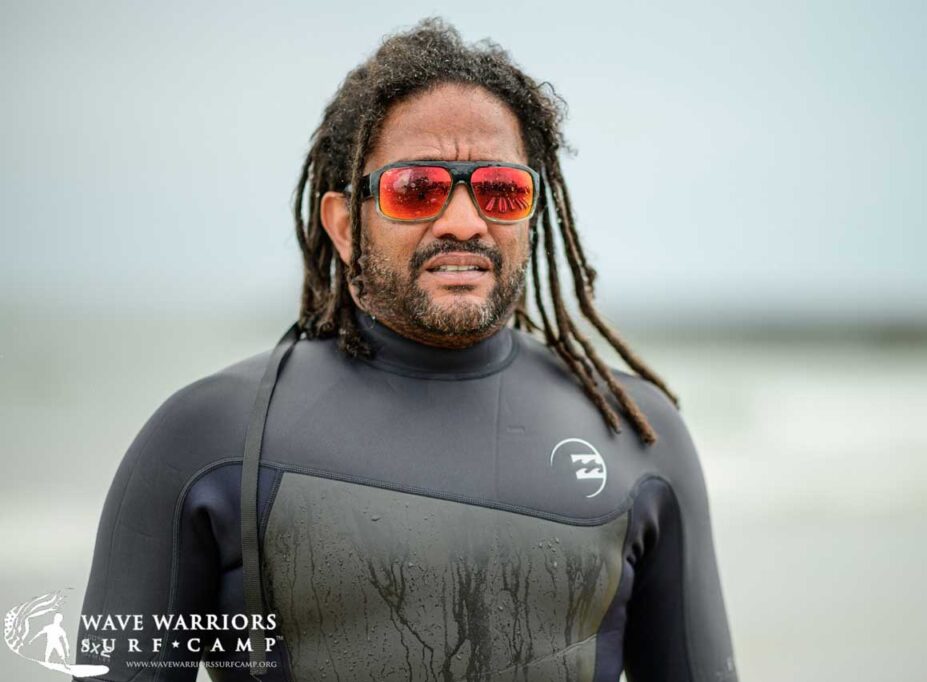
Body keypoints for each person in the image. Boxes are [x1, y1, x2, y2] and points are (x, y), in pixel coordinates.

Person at [75, 18, 739, 682]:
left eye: (499, 190)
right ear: (343, 225)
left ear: (530, 213)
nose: (462, 221)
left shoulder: (638, 440)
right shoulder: (206, 442)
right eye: (415, 189)